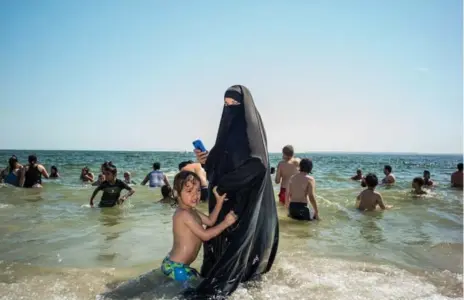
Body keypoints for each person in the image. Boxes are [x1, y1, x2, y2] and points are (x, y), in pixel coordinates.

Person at [188, 85, 279, 298]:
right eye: (225, 104)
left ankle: (238, 282)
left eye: (234, 104)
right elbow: (219, 168)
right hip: (222, 200)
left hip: (239, 202)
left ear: (245, 107)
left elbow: (257, 165)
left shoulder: (250, 132)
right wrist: (207, 161)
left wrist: (223, 185)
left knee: (236, 248)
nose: (229, 109)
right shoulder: (227, 135)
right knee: (221, 250)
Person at [161, 171, 236, 283]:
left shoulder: (192, 211)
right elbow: (205, 236)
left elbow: (210, 221)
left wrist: (219, 203)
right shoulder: (183, 214)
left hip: (178, 265)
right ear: (176, 193)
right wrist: (226, 223)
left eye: (198, 190)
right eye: (189, 191)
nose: (195, 195)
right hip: (176, 267)